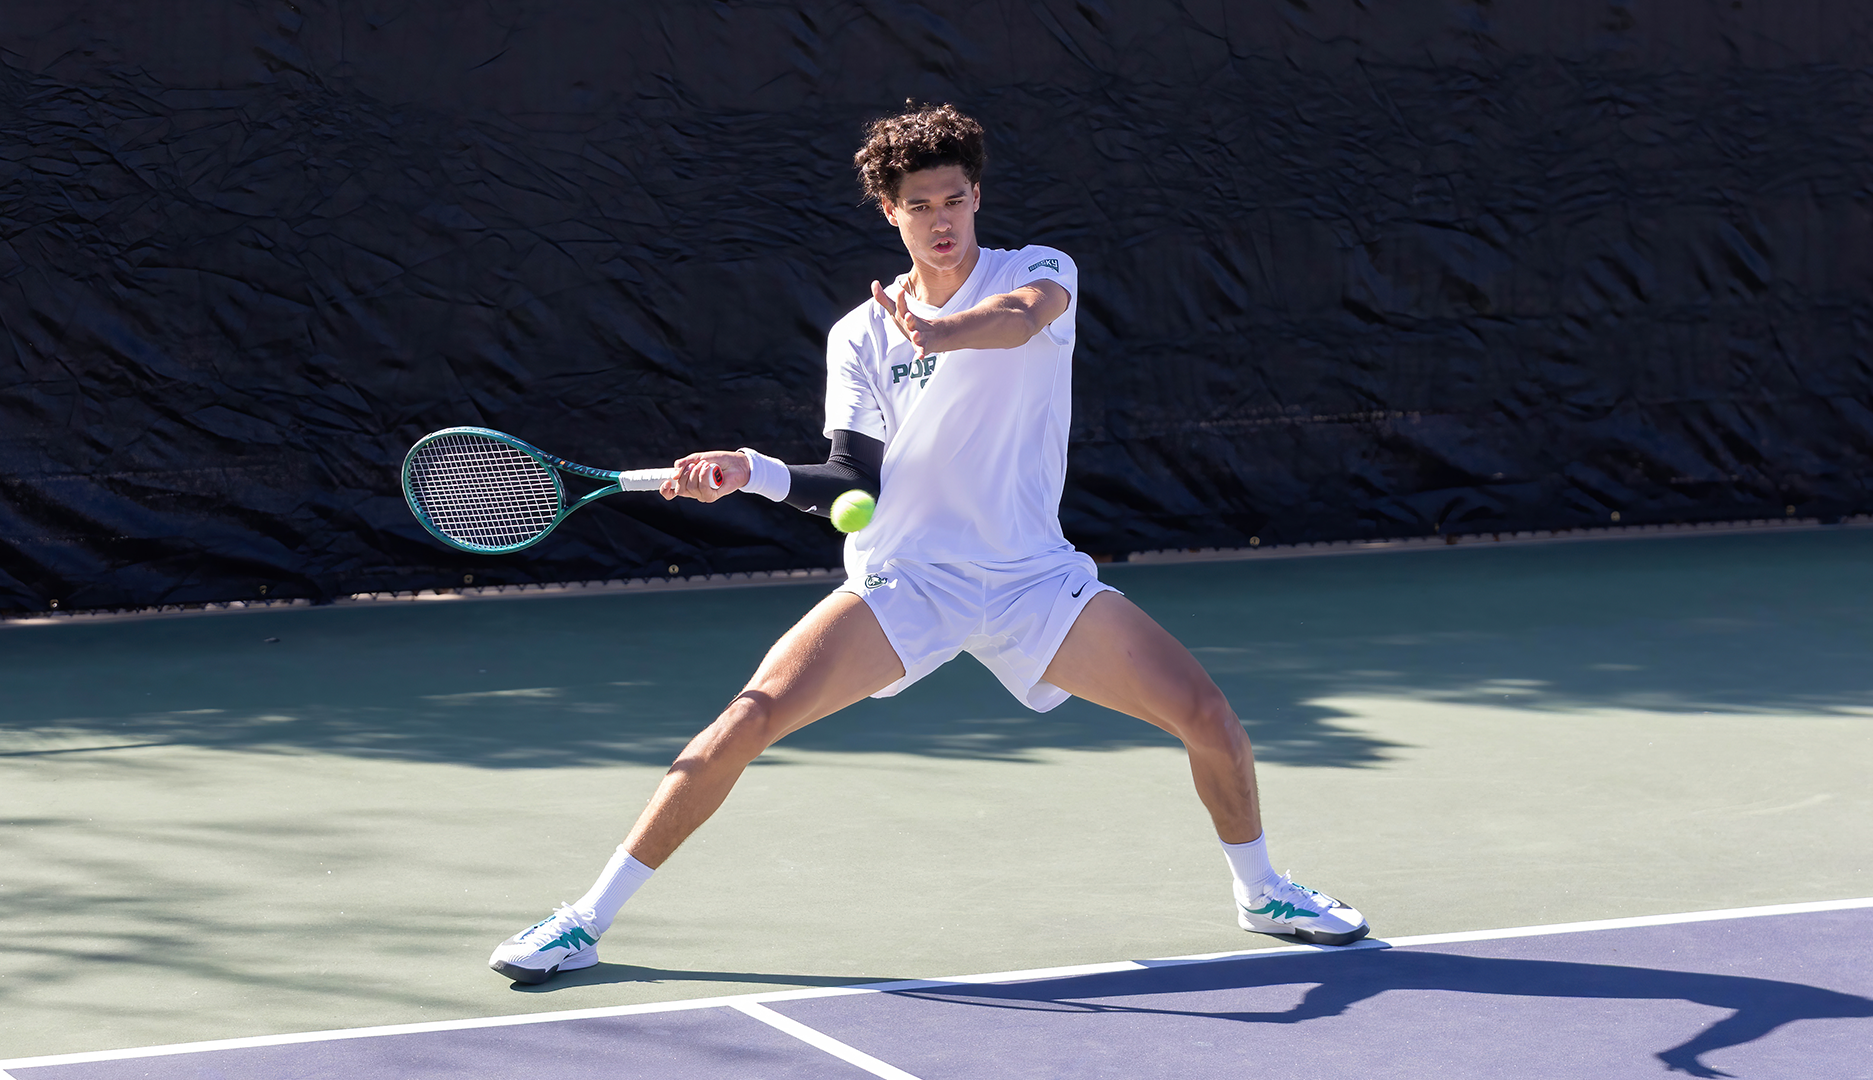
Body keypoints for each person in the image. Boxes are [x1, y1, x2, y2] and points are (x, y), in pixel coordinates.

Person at [488, 103, 1367, 985]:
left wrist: (944, 333)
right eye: (920, 206)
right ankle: (584, 921)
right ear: (890, 212)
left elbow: (1022, 317)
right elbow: (851, 483)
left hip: (1032, 580)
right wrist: (749, 470)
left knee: (1208, 717)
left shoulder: (1039, 270)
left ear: (976, 196)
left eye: (954, 200)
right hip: (909, 581)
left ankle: (1261, 893)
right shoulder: (859, 334)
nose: (941, 220)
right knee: (747, 720)